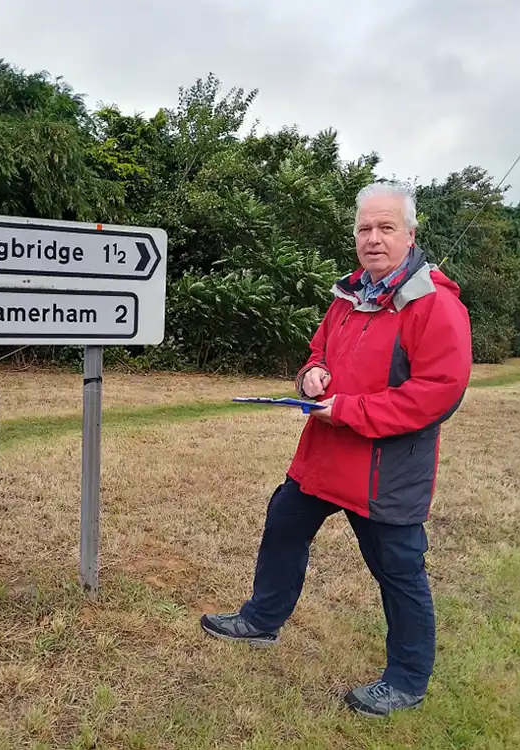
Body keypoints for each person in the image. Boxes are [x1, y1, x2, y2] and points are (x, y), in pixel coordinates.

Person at [200, 181, 473, 718]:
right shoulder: (348, 295)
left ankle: (407, 680)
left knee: (398, 572)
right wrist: (311, 375)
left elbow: (437, 393)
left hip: (386, 473)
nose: (373, 238)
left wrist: (348, 410)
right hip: (322, 457)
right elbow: (318, 352)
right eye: (365, 228)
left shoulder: (434, 304)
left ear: (410, 234)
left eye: (386, 227)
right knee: (283, 525)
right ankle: (261, 621)